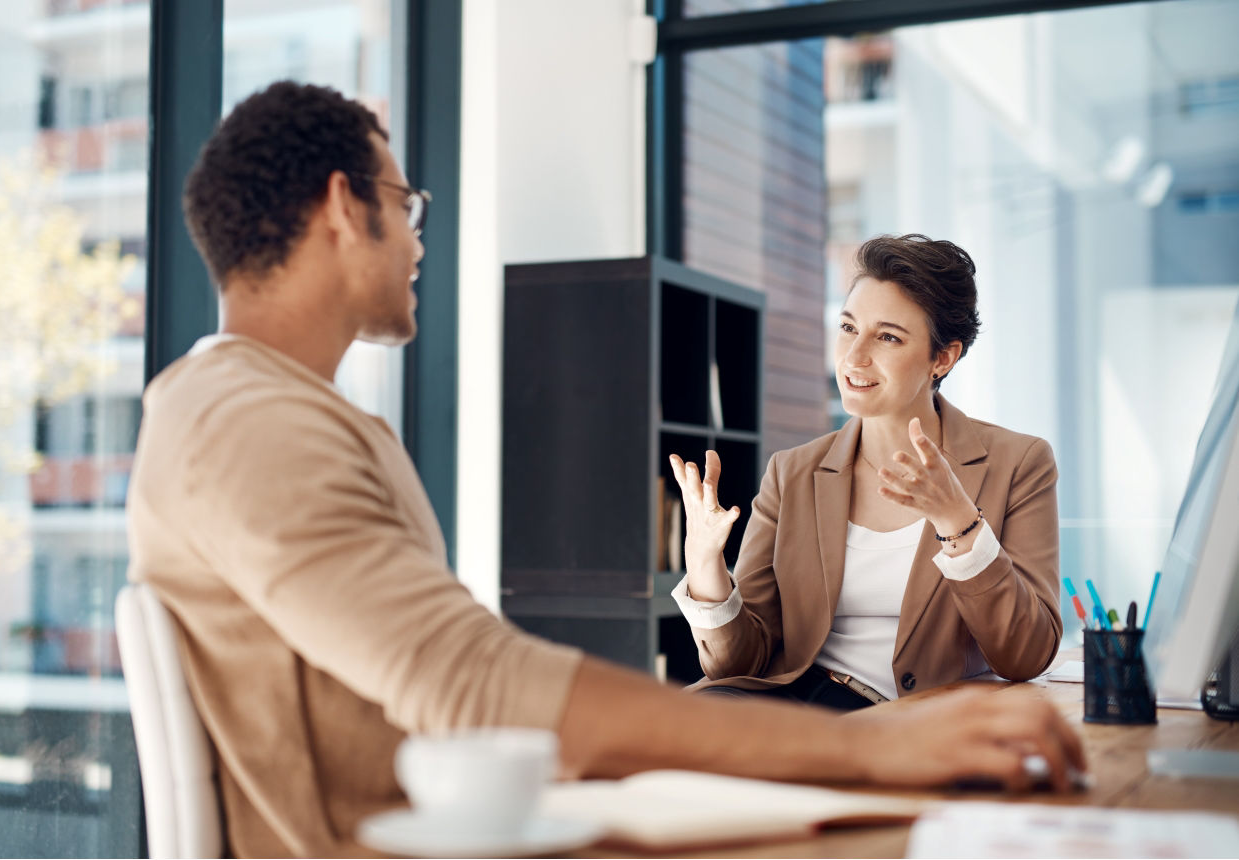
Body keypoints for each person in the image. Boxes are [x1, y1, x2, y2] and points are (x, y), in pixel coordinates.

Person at [127, 82, 1084, 857]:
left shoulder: (292, 415)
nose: (419, 237)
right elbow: (474, 682)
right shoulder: (243, 421)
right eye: (405, 204)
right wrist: (861, 752)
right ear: (344, 206)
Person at [669, 234, 1061, 710]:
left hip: (912, 721)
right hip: (796, 705)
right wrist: (706, 568)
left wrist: (959, 522)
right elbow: (741, 665)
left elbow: (1027, 655)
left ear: (944, 357)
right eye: (849, 327)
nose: (854, 357)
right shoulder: (792, 473)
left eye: (888, 337)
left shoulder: (1018, 464)